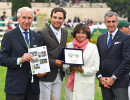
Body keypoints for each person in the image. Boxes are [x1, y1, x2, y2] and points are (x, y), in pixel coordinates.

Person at [0, 7, 46, 100]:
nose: (26, 21)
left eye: (29, 18)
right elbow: (2, 58)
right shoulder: (9, 36)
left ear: (32, 19)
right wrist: (19, 60)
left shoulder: (37, 37)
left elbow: (42, 59)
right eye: (24, 17)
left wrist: (43, 72)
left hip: (33, 87)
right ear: (18, 18)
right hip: (15, 87)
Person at [96, 11, 130, 100]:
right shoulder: (100, 38)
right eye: (108, 22)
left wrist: (113, 78)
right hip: (104, 83)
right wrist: (100, 77)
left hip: (120, 82)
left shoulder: (125, 38)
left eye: (113, 21)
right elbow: (97, 59)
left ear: (117, 22)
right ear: (104, 23)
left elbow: (127, 60)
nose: (111, 24)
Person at [37, 7, 68, 100]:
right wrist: (53, 62)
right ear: (51, 17)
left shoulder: (65, 32)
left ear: (64, 20)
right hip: (45, 74)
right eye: (55, 17)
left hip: (59, 75)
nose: (57, 20)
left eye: (60, 18)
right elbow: (39, 55)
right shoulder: (42, 32)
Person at [63, 23, 100, 100]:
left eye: (83, 33)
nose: (80, 35)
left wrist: (82, 70)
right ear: (75, 34)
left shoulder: (93, 47)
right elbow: (64, 65)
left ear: (87, 35)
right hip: (70, 84)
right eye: (78, 33)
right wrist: (69, 68)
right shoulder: (69, 46)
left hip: (85, 85)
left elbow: (96, 67)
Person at [117, 20, 130, 100]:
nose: (129, 28)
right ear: (120, 29)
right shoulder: (117, 41)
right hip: (121, 75)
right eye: (126, 27)